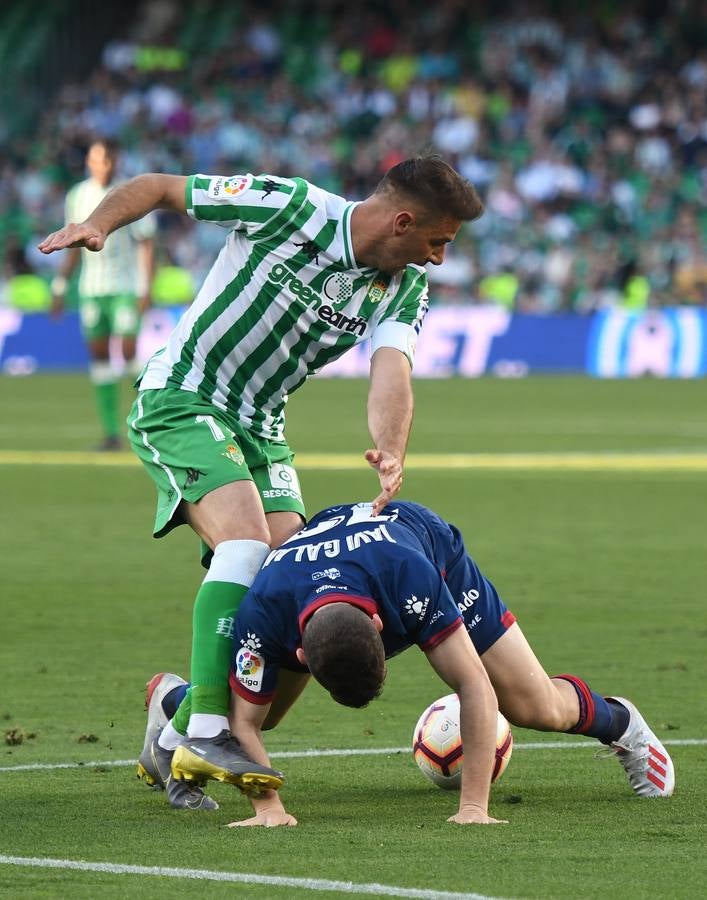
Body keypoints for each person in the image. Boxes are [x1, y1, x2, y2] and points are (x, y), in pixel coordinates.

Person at [38, 156, 484, 793]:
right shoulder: (289, 207)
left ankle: (174, 719)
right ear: (403, 222)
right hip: (184, 396)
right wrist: (98, 224)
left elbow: (392, 370)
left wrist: (390, 449)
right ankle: (208, 728)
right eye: (438, 241)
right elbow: (160, 188)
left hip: (262, 430)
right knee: (246, 544)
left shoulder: (404, 286)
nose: (439, 258)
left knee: (291, 586)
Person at [145, 500, 675, 825]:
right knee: (262, 715)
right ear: (300, 656)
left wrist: (474, 808)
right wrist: (269, 809)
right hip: (315, 588)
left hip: (421, 548)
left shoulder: (412, 579)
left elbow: (473, 684)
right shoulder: (261, 613)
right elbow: (243, 725)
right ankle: (174, 701)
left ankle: (621, 722)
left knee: (533, 706)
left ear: (383, 627)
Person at [50, 138, 156, 450]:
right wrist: (60, 286)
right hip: (92, 289)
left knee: (127, 351)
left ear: (116, 161)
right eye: (97, 160)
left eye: (107, 160)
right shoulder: (77, 195)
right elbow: (72, 244)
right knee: (99, 357)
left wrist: (145, 288)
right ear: (89, 162)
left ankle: (151, 424)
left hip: (125, 287)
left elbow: (146, 242)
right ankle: (111, 433)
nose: (102, 166)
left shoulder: (132, 192)